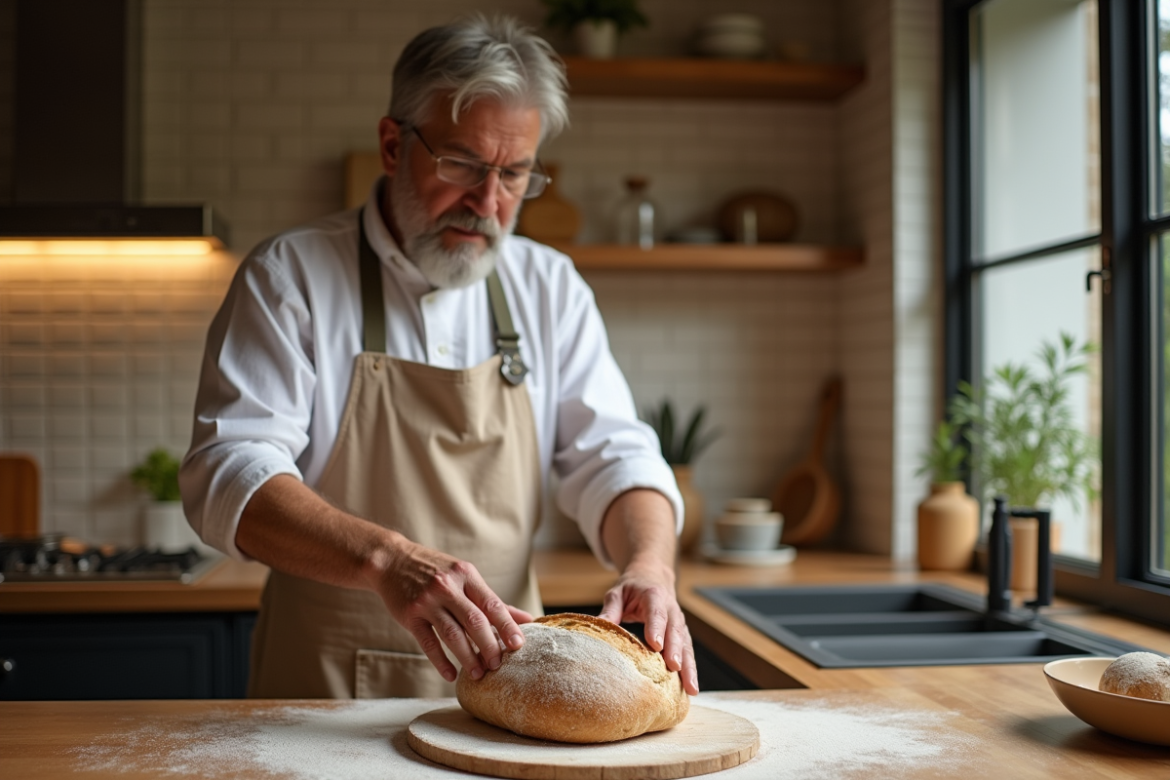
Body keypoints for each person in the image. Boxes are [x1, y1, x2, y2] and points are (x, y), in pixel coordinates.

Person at [180, 14, 699, 700]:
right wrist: (387, 560)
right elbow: (228, 473)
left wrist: (651, 567)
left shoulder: (549, 288)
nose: (488, 203)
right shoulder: (291, 276)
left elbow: (615, 457)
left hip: (513, 686)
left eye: (515, 174)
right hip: (321, 698)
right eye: (462, 164)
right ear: (393, 146)